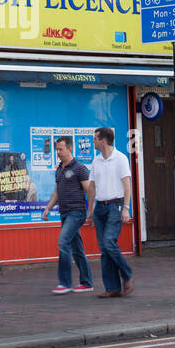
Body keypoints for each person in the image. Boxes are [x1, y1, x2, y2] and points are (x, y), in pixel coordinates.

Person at [41, 136, 94, 294]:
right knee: (77, 249)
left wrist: (90, 211)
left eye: (60, 149)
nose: (58, 152)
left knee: (63, 242)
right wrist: (47, 209)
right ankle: (87, 282)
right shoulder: (59, 169)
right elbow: (56, 192)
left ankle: (64, 283)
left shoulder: (80, 168)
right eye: (57, 149)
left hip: (76, 212)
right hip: (64, 213)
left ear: (70, 149)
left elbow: (89, 191)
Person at [89, 127, 134, 297]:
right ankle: (112, 288)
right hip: (100, 207)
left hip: (116, 205)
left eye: (95, 138)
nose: (93, 141)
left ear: (103, 140)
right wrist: (91, 210)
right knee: (104, 249)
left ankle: (127, 274)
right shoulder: (96, 161)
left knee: (108, 243)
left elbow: (126, 184)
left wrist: (126, 208)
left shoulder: (120, 158)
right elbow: (92, 187)